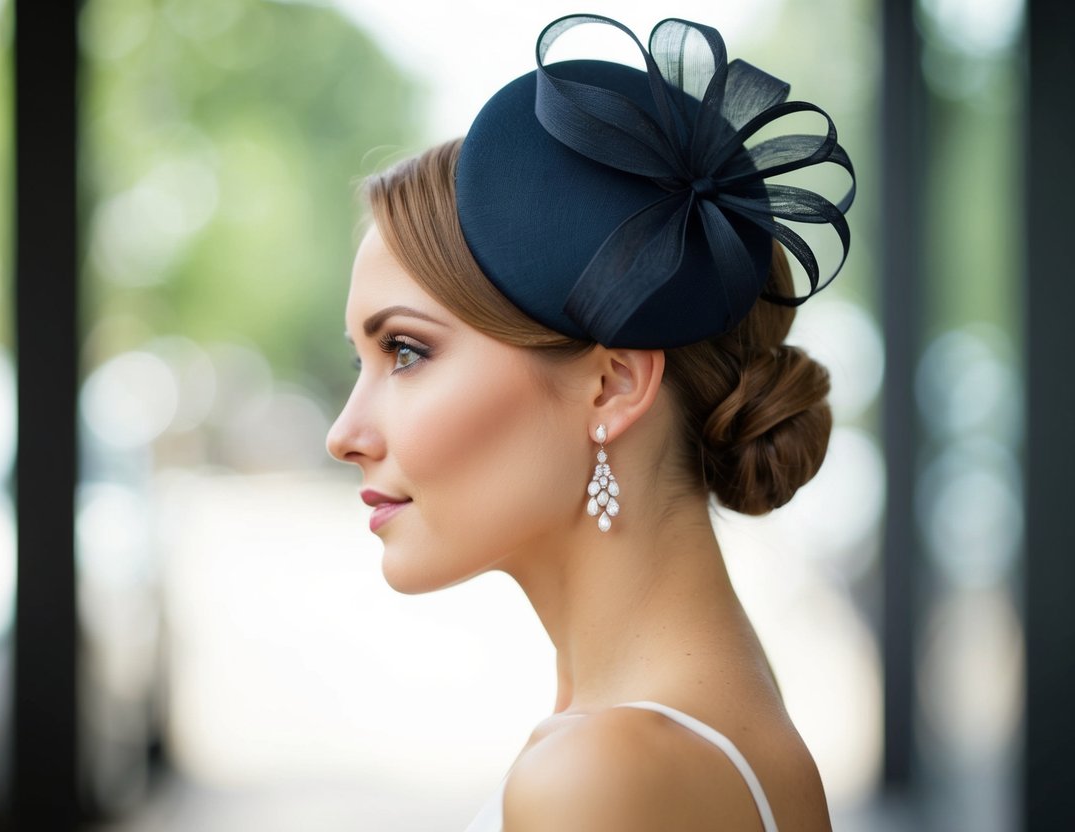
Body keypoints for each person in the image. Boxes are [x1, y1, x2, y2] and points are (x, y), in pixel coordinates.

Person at [327, 13, 855, 831]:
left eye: (405, 351)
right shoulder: (689, 725)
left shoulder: (603, 774)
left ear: (611, 385)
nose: (344, 433)